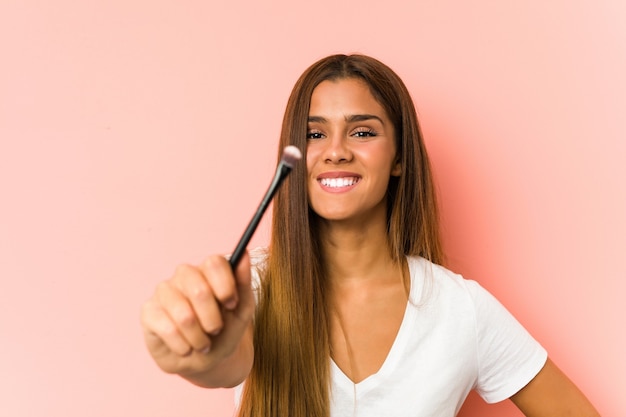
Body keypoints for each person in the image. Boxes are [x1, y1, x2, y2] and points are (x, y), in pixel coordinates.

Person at [140, 54, 599, 416]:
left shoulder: (461, 309)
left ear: (399, 158)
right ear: (296, 162)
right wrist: (200, 353)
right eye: (315, 135)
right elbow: (222, 365)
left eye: (361, 131)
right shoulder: (252, 288)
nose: (335, 151)